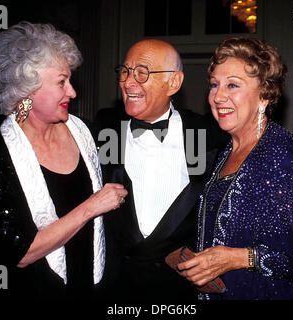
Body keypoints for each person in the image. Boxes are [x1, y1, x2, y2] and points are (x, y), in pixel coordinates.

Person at [0, 21, 127, 299]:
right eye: (61, 82)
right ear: (26, 89)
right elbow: (21, 253)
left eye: (69, 80)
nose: (73, 92)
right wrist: (91, 207)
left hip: (95, 288)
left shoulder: (87, 134)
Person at [177, 37, 293, 300]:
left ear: (264, 95)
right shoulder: (229, 149)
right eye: (214, 84)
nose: (218, 95)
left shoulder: (282, 158)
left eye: (232, 85)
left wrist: (239, 258)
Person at [95, 39, 229, 301]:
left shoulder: (207, 136)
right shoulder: (105, 129)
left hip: (180, 291)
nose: (128, 82)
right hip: (116, 288)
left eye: (141, 73)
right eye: (124, 71)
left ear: (174, 83)